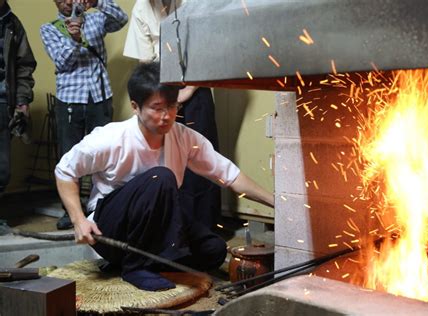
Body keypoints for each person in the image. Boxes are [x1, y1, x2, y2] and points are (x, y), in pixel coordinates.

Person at [55, 62, 274, 291]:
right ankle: (135, 267)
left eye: (171, 106)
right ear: (135, 107)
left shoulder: (184, 137)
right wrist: (79, 220)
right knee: (160, 178)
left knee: (214, 250)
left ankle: (142, 262)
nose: (166, 116)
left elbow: (228, 175)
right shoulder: (110, 138)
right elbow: (64, 171)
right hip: (111, 229)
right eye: (157, 108)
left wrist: (275, 201)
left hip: (155, 230)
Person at [123, 0, 222, 229]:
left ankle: (205, 228)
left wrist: (186, 93)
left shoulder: (195, 3)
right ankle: (173, 229)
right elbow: (145, 61)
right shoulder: (141, 8)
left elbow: (207, 52)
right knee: (165, 158)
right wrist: (160, 98)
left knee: (201, 154)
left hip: (196, 87)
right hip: (161, 90)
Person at [40, 0, 128, 230]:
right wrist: (75, 39)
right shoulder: (49, 28)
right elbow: (63, 62)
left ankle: (103, 207)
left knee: (106, 153)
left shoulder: (96, 18)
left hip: (101, 95)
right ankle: (71, 211)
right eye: (62, 0)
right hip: (70, 99)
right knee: (69, 155)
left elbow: (121, 19)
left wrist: (97, 2)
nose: (68, 2)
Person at [0, 0, 37, 196]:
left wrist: (22, 100)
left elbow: (25, 64)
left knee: (2, 169)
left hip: (3, 101)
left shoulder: (12, 23)